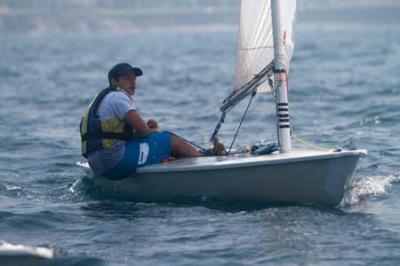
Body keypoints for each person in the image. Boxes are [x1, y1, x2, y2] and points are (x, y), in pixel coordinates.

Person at [80, 63, 224, 180]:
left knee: (159, 141)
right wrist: (151, 131)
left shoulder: (100, 99)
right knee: (171, 139)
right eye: (127, 78)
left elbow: (117, 136)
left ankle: (197, 155)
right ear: (114, 82)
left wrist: (146, 132)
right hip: (115, 163)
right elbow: (143, 131)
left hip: (97, 164)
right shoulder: (118, 97)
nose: (133, 82)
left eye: (134, 79)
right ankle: (204, 159)